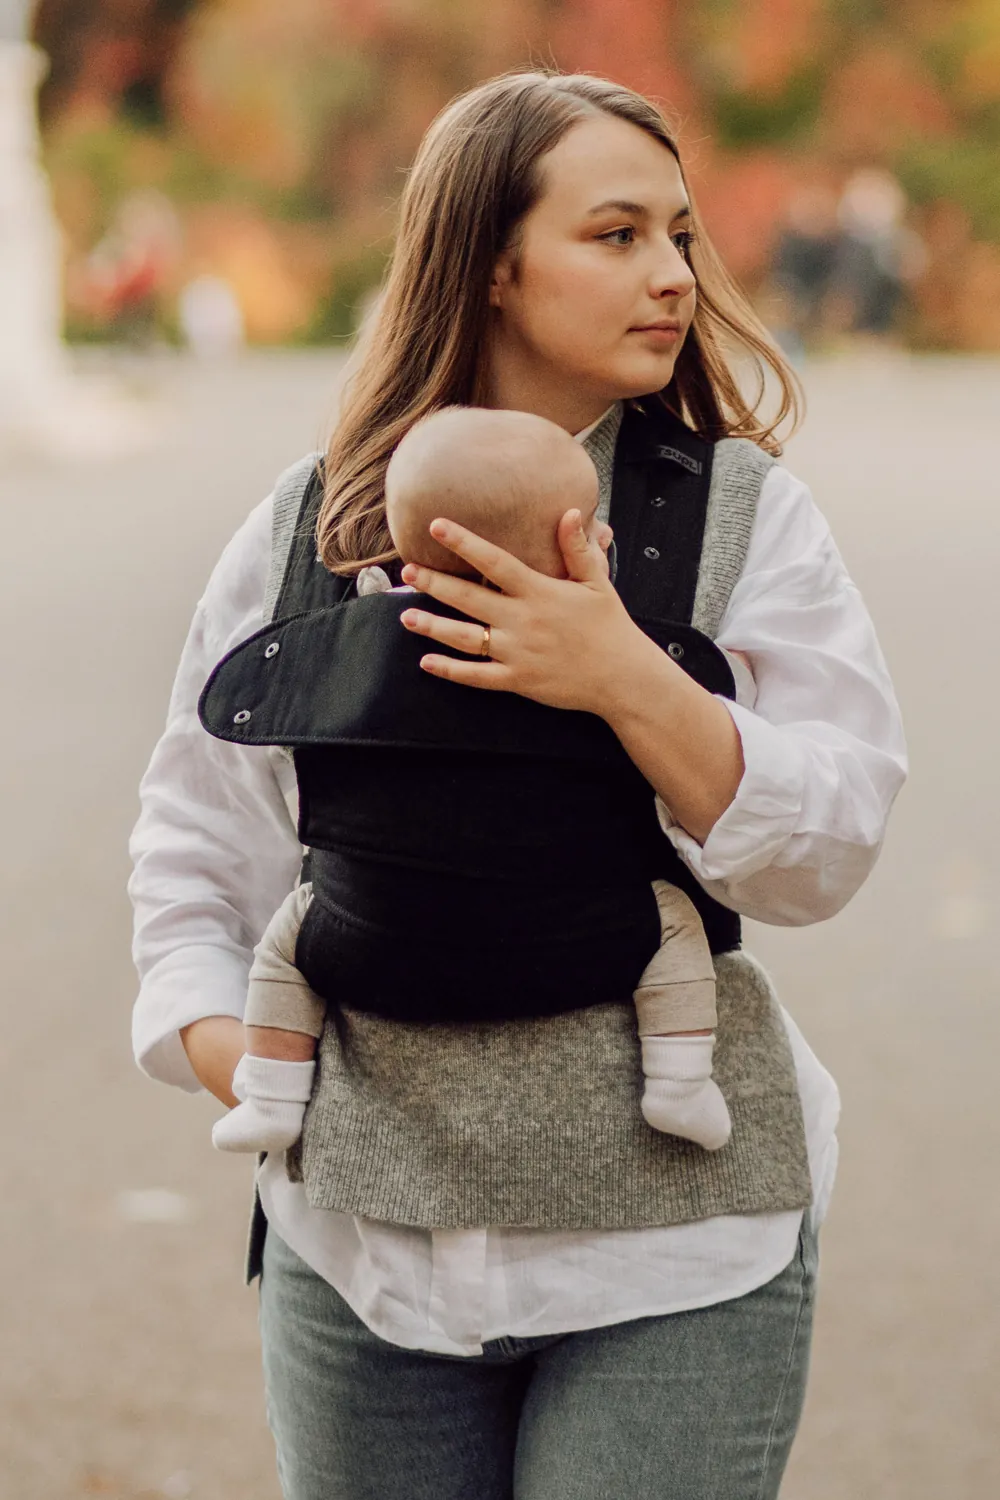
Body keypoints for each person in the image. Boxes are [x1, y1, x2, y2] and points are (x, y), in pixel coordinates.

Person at [129, 70, 906, 1500]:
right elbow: (195, 847)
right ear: (489, 262)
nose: (672, 274)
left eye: (679, 236)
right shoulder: (311, 528)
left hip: (678, 1252)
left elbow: (826, 851)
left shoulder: (741, 516)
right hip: (356, 1262)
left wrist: (619, 669)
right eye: (616, 236)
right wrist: (263, 1077)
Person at [206, 404, 730, 1158]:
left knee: (285, 941)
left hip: (364, 936)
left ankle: (273, 1096)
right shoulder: (607, 657)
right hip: (587, 936)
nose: (608, 537)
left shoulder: (360, 645)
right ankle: (680, 1082)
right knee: (680, 923)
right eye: (588, 527)